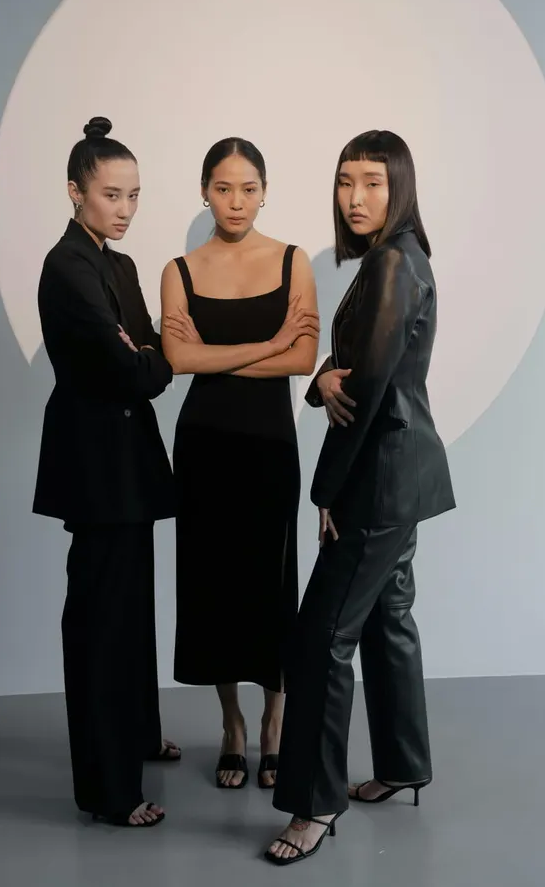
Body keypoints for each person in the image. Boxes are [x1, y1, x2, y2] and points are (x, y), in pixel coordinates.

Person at [264, 130, 456, 865]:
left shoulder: (391, 264)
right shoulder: (399, 259)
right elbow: (351, 374)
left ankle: (314, 805)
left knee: (320, 640)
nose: (355, 197)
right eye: (346, 181)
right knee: (387, 619)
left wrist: (325, 488)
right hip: (405, 471)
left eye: (372, 182)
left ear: (399, 186)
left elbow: (365, 392)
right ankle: (405, 764)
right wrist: (321, 380)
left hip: (378, 478)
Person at [33, 117, 182, 829]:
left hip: (127, 463)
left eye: (134, 195)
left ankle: (136, 740)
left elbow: (155, 351)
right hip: (94, 465)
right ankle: (108, 789)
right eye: (112, 194)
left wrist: (144, 353)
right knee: (98, 625)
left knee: (129, 615)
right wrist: (143, 355)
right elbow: (138, 366)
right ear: (75, 192)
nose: (125, 208)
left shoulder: (117, 266)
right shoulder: (66, 266)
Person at [159, 138, 320, 791]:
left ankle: (275, 721)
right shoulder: (180, 269)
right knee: (213, 585)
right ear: (204, 191)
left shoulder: (292, 261)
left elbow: (303, 359)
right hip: (204, 444)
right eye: (223, 188)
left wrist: (219, 352)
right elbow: (175, 361)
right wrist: (269, 342)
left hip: (270, 444)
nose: (236, 201)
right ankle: (232, 724)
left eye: (248, 188)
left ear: (265, 191)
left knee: (270, 582)